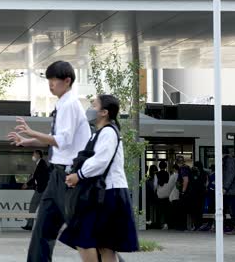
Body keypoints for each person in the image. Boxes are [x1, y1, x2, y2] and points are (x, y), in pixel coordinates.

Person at [8, 60, 91, 262]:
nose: (50, 84)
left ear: (67, 80)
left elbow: (62, 141)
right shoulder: (62, 104)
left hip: (69, 177)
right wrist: (25, 141)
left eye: (54, 80)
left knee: (83, 233)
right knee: (42, 230)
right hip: (57, 176)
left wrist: (30, 132)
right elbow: (52, 137)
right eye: (49, 80)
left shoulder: (70, 105)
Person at [60, 94, 139, 262]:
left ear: (104, 112)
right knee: (103, 244)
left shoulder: (108, 133)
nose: (90, 109)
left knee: (87, 239)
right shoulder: (100, 133)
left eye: (93, 105)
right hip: (104, 193)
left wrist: (79, 176)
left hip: (108, 193)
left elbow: (100, 161)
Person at [22, 150, 50, 231]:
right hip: (41, 189)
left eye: (33, 154)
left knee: (33, 206)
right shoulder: (40, 164)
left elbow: (38, 177)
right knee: (36, 207)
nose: (33, 156)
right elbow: (36, 177)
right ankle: (30, 224)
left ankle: (30, 225)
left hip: (40, 189)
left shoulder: (42, 164)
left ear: (38, 155)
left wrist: (27, 184)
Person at [222, 154, 235, 235]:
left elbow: (229, 175)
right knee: (229, 210)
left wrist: (225, 187)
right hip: (231, 191)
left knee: (232, 210)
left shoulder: (229, 161)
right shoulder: (228, 160)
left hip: (231, 191)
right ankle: (231, 227)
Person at [156, 161, 170, 230]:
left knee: (159, 210)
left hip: (159, 193)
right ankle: (166, 224)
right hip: (166, 194)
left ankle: (159, 224)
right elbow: (169, 183)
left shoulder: (157, 174)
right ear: (165, 166)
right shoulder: (167, 174)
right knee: (166, 210)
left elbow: (155, 184)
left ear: (159, 166)